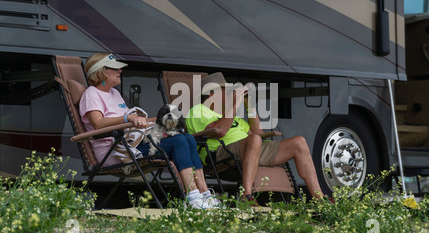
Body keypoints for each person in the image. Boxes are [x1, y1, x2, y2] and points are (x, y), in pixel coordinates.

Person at [79, 52, 220, 209]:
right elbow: (98, 124)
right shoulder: (91, 94)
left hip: (132, 142)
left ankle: (205, 194)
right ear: (101, 71)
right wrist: (128, 118)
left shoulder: (114, 93)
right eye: (115, 69)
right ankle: (193, 197)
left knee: (187, 137)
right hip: (116, 151)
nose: (120, 71)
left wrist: (161, 118)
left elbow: (135, 122)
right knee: (179, 141)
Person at [186, 72, 325, 203]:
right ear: (212, 95)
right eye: (226, 92)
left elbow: (258, 133)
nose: (230, 95)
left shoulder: (230, 116)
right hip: (220, 154)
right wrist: (235, 103)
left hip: (248, 151)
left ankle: (319, 198)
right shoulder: (198, 111)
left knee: (299, 142)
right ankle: (246, 195)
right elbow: (220, 131)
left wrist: (250, 106)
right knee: (254, 140)